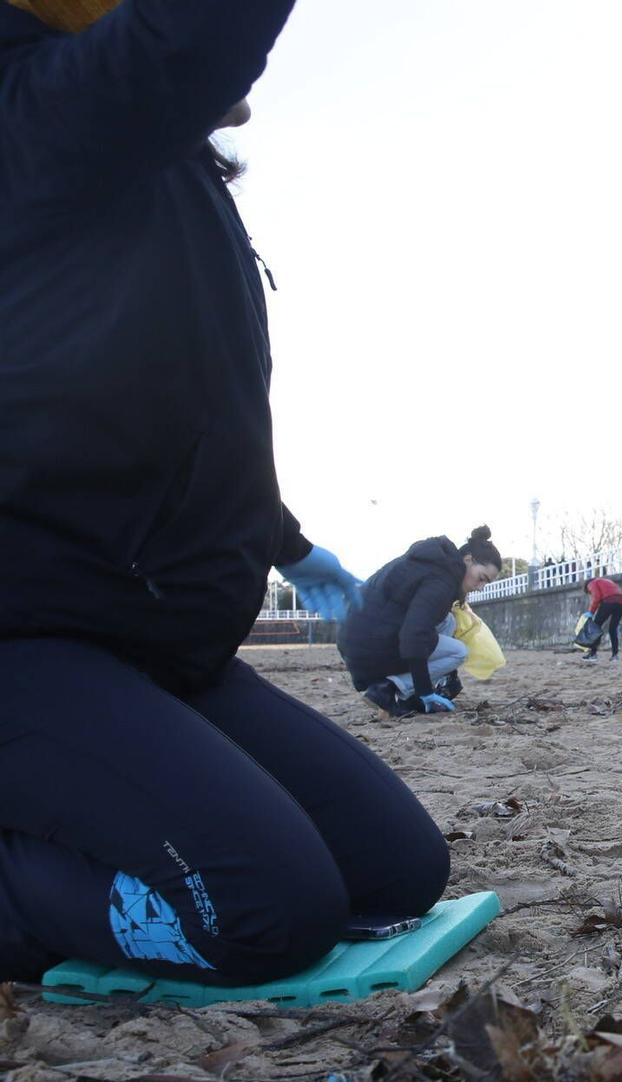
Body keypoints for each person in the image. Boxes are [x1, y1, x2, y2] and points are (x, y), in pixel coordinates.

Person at [0, 0, 448, 986]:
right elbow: (184, 39)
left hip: (159, 642)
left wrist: (288, 546)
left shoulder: (147, 176)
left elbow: (182, 404)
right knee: (263, 911)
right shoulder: (28, 116)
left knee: (397, 870)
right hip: (30, 638)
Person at [340, 528, 504, 712]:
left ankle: (409, 692)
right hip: (368, 652)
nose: (481, 587)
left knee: (448, 621)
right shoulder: (441, 581)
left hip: (356, 642)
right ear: (468, 560)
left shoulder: (434, 563)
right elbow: (414, 634)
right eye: (481, 578)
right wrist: (424, 690)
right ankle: (387, 688)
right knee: (458, 652)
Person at [581, 572, 622, 661]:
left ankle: (593, 654)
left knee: (595, 627)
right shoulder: (605, 581)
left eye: (589, 593)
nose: (590, 594)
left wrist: (591, 612)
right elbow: (603, 597)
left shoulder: (592, 583)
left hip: (609, 601)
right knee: (613, 629)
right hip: (621, 602)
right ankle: (615, 656)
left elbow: (597, 597)